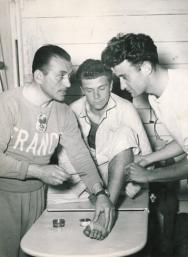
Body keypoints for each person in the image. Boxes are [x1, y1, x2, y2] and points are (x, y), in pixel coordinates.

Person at [0, 44, 115, 257]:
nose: (68, 83)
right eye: (60, 76)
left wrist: (99, 193)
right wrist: (38, 171)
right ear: (38, 76)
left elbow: (81, 156)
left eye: (69, 76)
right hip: (3, 198)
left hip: (37, 197)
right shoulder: (7, 104)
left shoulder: (63, 112)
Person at [101, 33, 188, 256]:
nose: (121, 84)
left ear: (146, 67)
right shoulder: (156, 96)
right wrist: (148, 159)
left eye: (124, 76)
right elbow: (182, 142)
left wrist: (148, 176)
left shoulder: (184, 93)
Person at [61, 58, 151, 239]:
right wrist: (92, 192)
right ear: (81, 90)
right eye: (89, 90)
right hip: (84, 181)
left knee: (124, 133)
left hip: (118, 179)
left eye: (101, 88)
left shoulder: (125, 109)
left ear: (110, 85)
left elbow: (147, 158)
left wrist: (128, 190)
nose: (96, 96)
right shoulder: (72, 110)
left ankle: (105, 213)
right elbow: (67, 162)